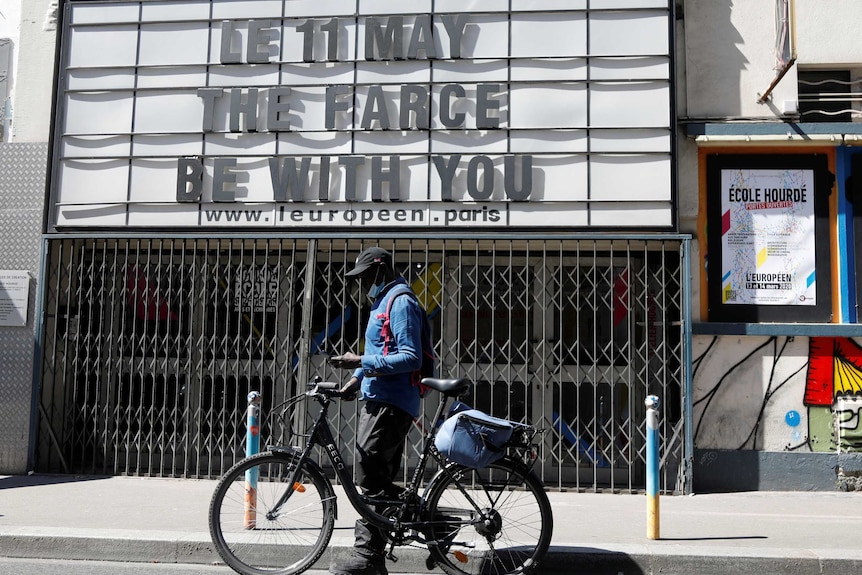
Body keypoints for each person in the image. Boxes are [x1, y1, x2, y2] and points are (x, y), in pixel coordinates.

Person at [328, 247, 424, 575]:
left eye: (367, 276)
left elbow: (411, 357)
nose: (363, 283)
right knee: (376, 479)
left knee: (368, 476)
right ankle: (423, 520)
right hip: (379, 400)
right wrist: (354, 381)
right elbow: (378, 350)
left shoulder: (401, 301)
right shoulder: (382, 301)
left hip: (392, 403)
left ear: (381, 271)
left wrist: (360, 362)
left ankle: (368, 556)